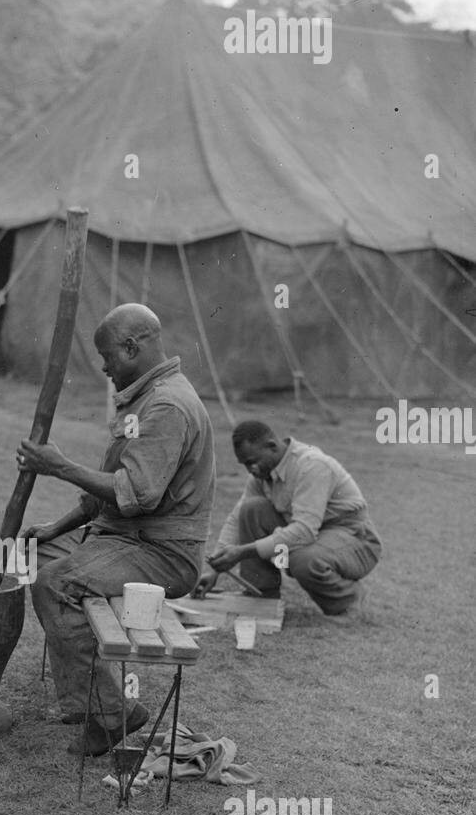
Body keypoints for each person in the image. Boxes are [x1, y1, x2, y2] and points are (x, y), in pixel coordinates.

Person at [19, 303, 215, 756]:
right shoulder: (147, 397)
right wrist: (57, 526)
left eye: (108, 356)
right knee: (40, 557)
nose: (104, 367)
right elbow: (109, 493)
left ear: (132, 346)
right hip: (128, 538)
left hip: (163, 552)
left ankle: (110, 716)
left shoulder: (167, 405)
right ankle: (83, 692)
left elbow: (137, 493)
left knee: (56, 583)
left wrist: (62, 467)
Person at [198, 420, 381, 616]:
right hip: (317, 535)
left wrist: (242, 552)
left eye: (252, 461)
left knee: (302, 561)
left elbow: (304, 531)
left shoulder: (312, 465)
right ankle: (261, 593)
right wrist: (215, 570)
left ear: (272, 446)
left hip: (355, 539)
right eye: (245, 465)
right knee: (252, 509)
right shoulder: (262, 474)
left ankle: (349, 601)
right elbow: (237, 519)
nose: (251, 470)